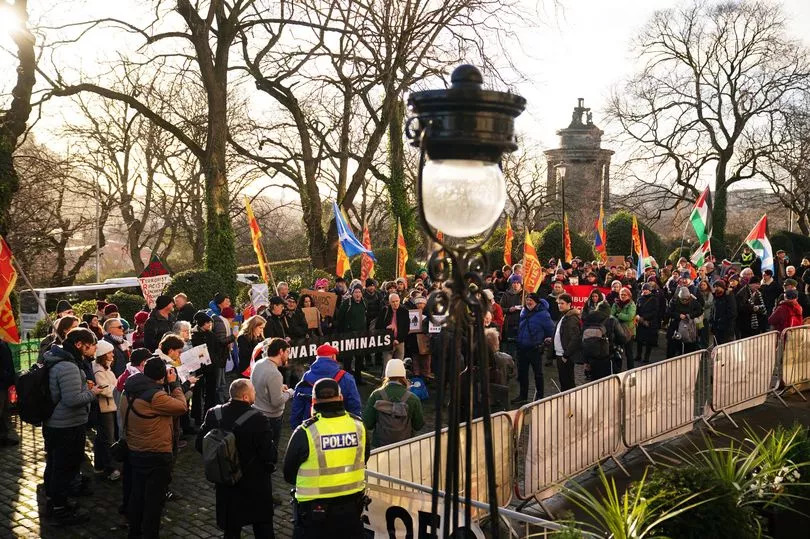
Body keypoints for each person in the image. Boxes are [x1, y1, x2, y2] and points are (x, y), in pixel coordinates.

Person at [284, 378, 369, 539]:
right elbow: (365, 458)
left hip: (315, 515)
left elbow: (289, 473)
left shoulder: (306, 431)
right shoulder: (358, 426)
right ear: (341, 398)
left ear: (313, 401)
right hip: (351, 510)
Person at [196, 379, 277, 539]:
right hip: (255, 483)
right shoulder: (258, 419)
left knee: (231, 530)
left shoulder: (214, 414)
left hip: (227, 482)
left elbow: (200, 444)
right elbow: (269, 454)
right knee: (263, 527)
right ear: (246, 397)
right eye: (253, 391)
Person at [120, 357, 188, 539]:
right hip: (156, 453)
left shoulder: (128, 389)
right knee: (154, 501)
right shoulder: (156, 397)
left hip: (135, 449)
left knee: (137, 495)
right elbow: (181, 407)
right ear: (162, 377)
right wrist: (174, 385)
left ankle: (134, 531)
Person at [42, 327, 103, 524]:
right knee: (63, 467)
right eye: (91, 345)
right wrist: (93, 393)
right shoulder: (68, 366)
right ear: (79, 345)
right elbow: (72, 399)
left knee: (55, 465)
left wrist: (85, 387)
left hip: (58, 423)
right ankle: (59, 509)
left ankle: (55, 502)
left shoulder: (60, 360)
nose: (94, 349)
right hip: (66, 425)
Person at [290, 344, 362, 429]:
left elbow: (297, 406)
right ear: (333, 357)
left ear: (317, 358)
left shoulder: (306, 377)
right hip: (340, 426)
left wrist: (296, 427)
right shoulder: (346, 377)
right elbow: (354, 404)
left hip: (313, 428)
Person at [362, 359, 424, 448]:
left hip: (380, 447)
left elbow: (367, 423)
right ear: (404, 376)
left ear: (386, 375)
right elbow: (418, 425)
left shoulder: (376, 395)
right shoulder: (413, 398)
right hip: (405, 446)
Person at [251, 338, 295, 453]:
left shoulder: (259, 364)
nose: (288, 356)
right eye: (287, 352)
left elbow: (261, 384)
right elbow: (276, 401)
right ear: (281, 351)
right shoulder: (275, 373)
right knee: (270, 451)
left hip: (257, 412)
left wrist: (279, 387)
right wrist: (290, 393)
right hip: (271, 418)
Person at [512, 293, 555, 405]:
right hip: (522, 348)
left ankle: (540, 396)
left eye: (531, 300)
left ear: (536, 302)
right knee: (522, 373)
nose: (528, 302)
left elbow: (550, 330)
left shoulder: (543, 315)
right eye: (527, 300)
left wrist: (546, 341)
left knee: (538, 374)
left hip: (534, 348)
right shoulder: (523, 312)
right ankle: (523, 395)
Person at [92, 340, 121, 481]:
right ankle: (110, 467)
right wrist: (118, 390)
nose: (112, 354)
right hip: (106, 407)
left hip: (111, 405)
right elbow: (105, 389)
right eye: (109, 352)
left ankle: (99, 465)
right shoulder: (99, 370)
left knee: (102, 437)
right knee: (108, 438)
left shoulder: (106, 367)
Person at [335, 284, 368, 381]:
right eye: (356, 292)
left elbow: (366, 317)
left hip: (361, 335)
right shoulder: (346, 303)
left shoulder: (365, 302)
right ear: (352, 293)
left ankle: (358, 378)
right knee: (348, 359)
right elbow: (340, 319)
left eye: (359, 292)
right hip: (348, 335)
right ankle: (346, 379)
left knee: (359, 358)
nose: (358, 294)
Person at [191, 311, 218, 423]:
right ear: (201, 323)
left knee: (211, 391)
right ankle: (197, 416)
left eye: (209, 323)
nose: (209, 325)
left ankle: (209, 414)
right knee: (198, 392)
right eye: (207, 323)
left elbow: (215, 348)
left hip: (211, 366)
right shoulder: (194, 336)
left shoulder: (211, 334)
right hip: (199, 368)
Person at [553, 293, 582, 391]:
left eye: (562, 303)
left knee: (567, 382)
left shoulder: (572, 318)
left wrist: (566, 355)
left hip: (565, 355)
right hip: (560, 353)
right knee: (563, 381)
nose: (559, 305)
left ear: (569, 304)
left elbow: (575, 338)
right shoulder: (563, 316)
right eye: (558, 303)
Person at [666, 286, 703, 357]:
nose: (684, 301)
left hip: (689, 328)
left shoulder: (694, 302)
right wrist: (678, 315)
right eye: (683, 300)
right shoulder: (674, 301)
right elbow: (668, 312)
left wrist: (690, 315)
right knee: (672, 346)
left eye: (686, 299)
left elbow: (700, 311)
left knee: (689, 347)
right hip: (675, 326)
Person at [376, 292, 409, 372]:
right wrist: (386, 327)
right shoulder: (384, 310)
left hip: (400, 342)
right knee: (387, 366)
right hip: (387, 342)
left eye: (397, 301)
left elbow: (406, 328)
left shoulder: (404, 311)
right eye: (393, 302)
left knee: (399, 365)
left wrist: (398, 340)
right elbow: (378, 326)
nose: (395, 303)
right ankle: (385, 382)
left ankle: (399, 382)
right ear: (389, 302)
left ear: (399, 300)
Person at [611, 287, 637, 370]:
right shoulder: (616, 304)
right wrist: (618, 316)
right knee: (618, 352)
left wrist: (618, 315)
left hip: (629, 331)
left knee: (629, 353)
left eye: (624, 295)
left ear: (629, 296)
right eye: (621, 294)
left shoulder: (631, 304)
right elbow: (611, 315)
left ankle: (631, 370)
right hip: (618, 331)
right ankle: (618, 370)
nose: (622, 296)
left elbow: (629, 317)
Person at [635, 283, 660, 365]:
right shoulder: (640, 299)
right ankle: (638, 355)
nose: (645, 291)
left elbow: (655, 312)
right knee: (639, 340)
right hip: (641, 322)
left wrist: (644, 318)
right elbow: (637, 309)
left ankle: (646, 357)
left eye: (646, 289)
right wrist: (638, 316)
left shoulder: (654, 299)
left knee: (649, 341)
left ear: (650, 290)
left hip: (650, 323)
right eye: (644, 289)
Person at [499, 274, 523, 358]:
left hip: (522, 322)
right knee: (510, 346)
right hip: (510, 323)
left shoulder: (524, 294)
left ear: (520, 284)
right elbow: (501, 308)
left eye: (517, 283)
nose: (515, 284)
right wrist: (509, 309)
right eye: (514, 283)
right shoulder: (506, 294)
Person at [0, 341, 18, 447]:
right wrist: (5, 376)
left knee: (4, 411)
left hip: (5, 383)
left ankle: (3, 437)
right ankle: (2, 438)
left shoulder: (3, 343)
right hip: (1, 383)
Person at [710, 280, 737, 345]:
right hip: (716, 328)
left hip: (727, 328)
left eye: (718, 286)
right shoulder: (714, 297)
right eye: (715, 287)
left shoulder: (728, 296)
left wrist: (722, 321)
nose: (716, 288)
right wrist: (711, 323)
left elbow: (732, 312)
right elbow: (712, 311)